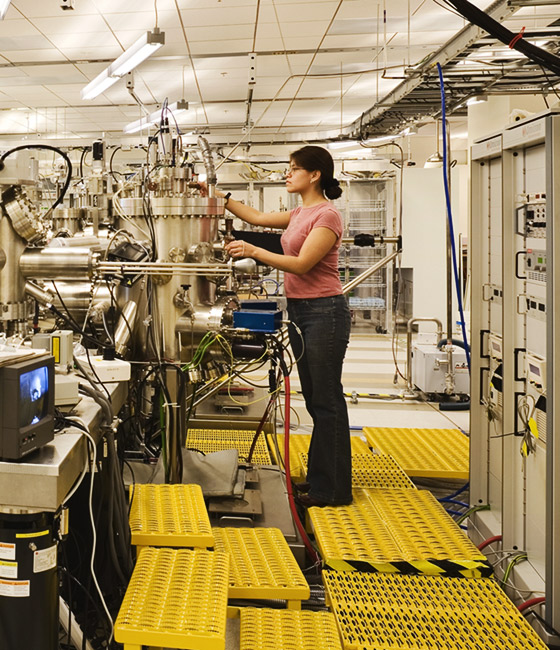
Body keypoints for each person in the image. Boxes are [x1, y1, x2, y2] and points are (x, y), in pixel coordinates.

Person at [214, 145, 352, 507]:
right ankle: (323, 480)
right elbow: (257, 218)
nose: (287, 175)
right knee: (316, 398)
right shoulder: (301, 213)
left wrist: (253, 251)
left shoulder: (327, 215)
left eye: (293, 169)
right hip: (303, 311)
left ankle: (333, 489)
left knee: (327, 402)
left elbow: (303, 264)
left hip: (325, 312)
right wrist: (218, 197)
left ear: (315, 174)